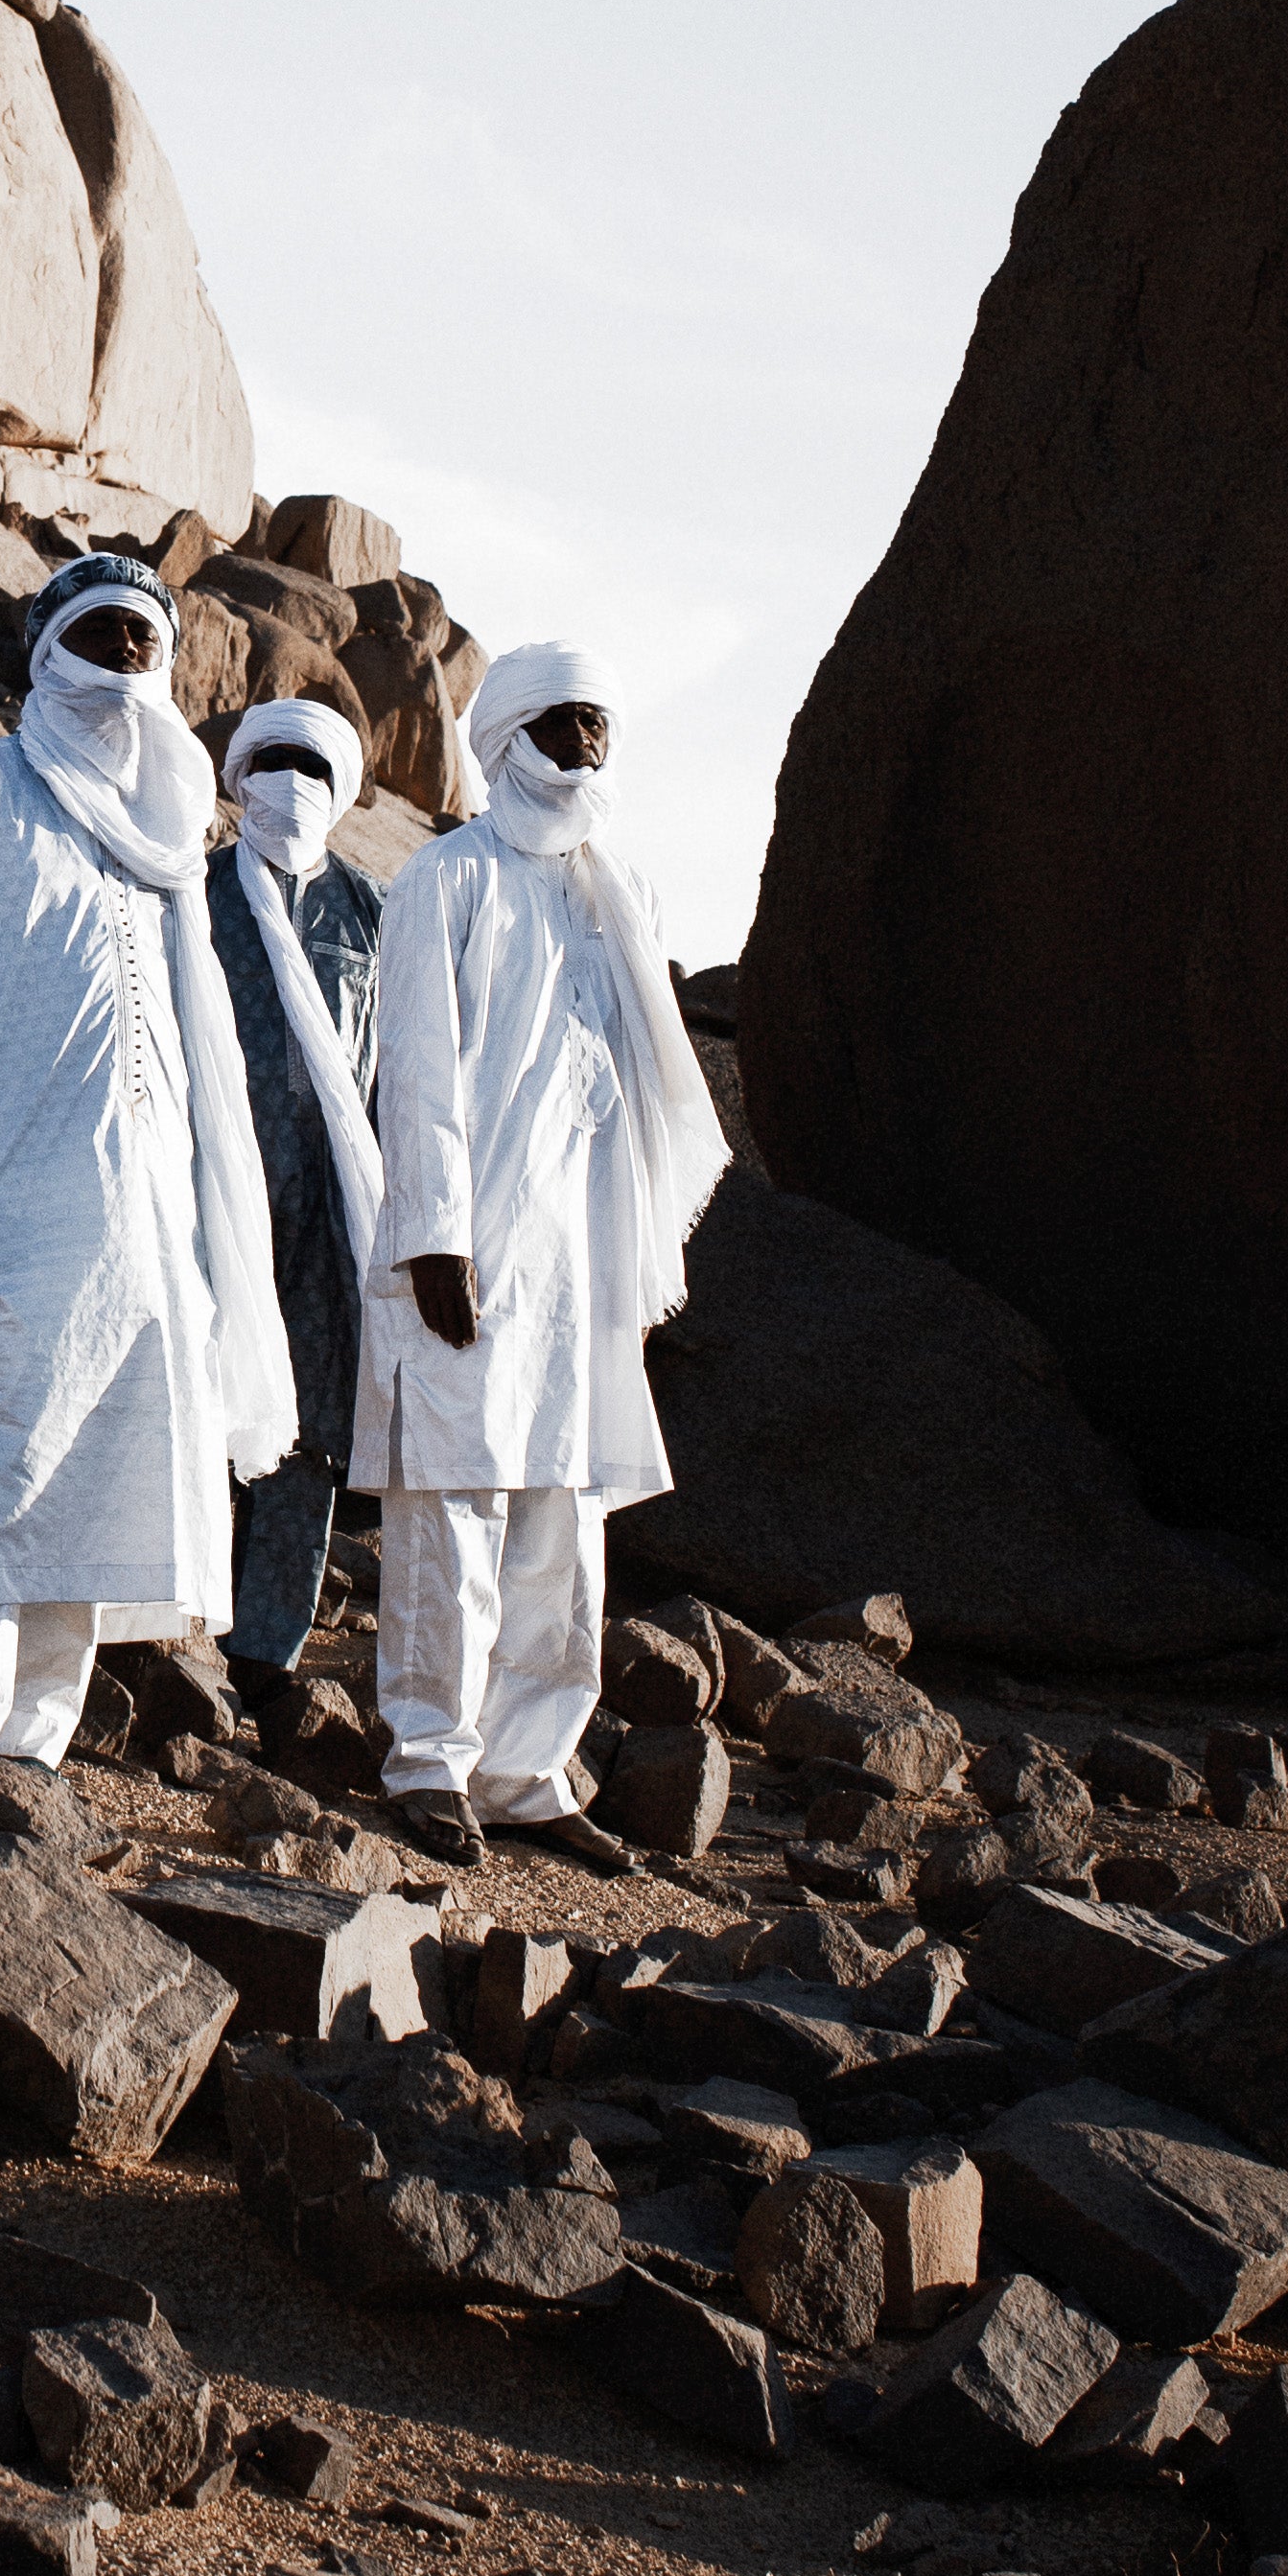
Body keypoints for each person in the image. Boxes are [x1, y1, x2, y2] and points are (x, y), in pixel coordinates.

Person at [0, 548, 290, 1786]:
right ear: (46, 650)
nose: (125, 659)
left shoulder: (167, 831)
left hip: (145, 1213)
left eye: (145, 640)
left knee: (107, 1460)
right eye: (100, 635)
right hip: (2, 1197)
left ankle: (32, 1744)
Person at [353, 636, 729, 1862]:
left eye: (596, 729)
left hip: (584, 1259)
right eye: (559, 727)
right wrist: (433, 1240)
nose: (580, 750)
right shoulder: (445, 877)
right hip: (470, 1254)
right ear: (505, 739)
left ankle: (529, 1770)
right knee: (450, 1509)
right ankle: (427, 1762)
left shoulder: (616, 890)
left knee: (563, 1523)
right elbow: (414, 1069)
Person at [210, 694, 389, 1741]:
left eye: (309, 767)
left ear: (341, 788)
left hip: (330, 1204)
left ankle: (266, 1650)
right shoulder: (191, 889)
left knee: (310, 1430)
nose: (289, 784)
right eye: (270, 761)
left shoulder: (372, 910)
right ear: (236, 778)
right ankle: (169, 1622)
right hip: (217, 1188)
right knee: (199, 1398)